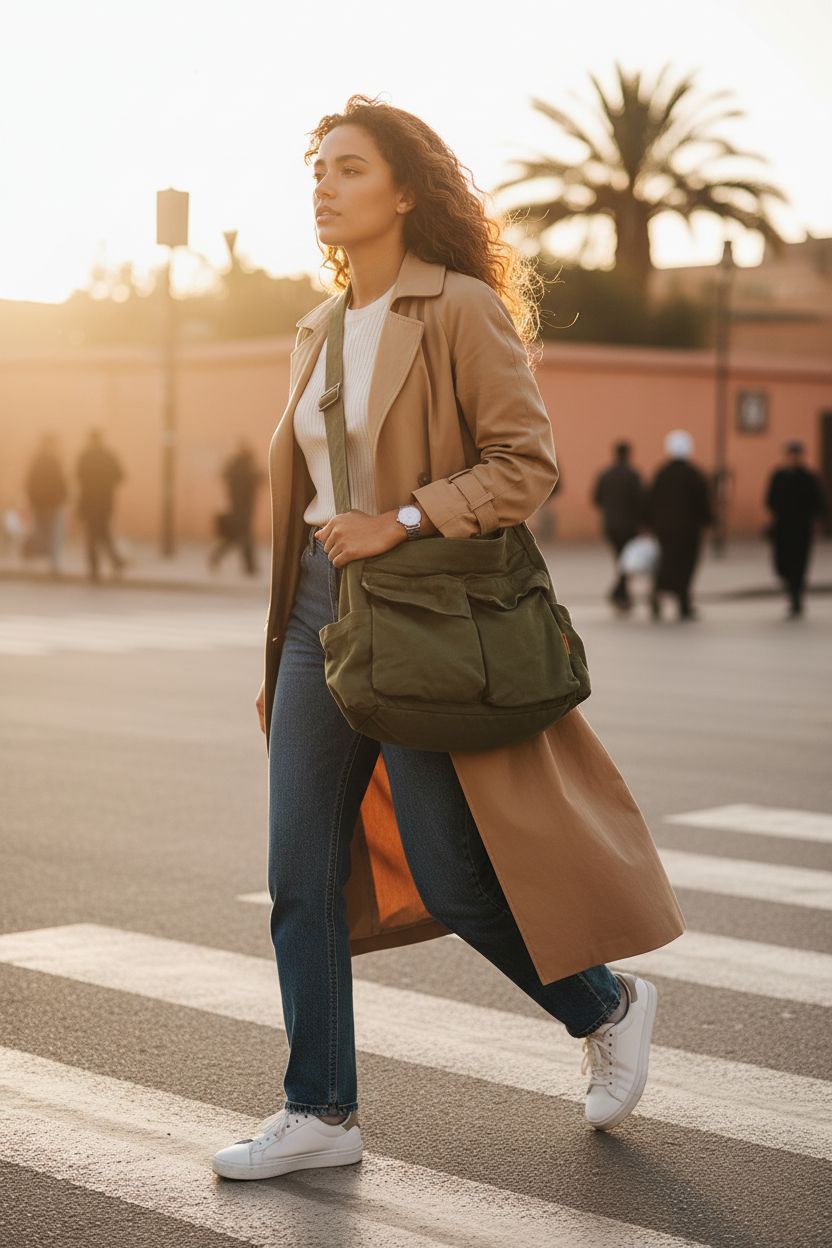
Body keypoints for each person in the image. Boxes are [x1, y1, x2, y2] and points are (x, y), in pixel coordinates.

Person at [212, 95, 684, 1182]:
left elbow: (525, 464)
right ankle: (320, 1111)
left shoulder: (459, 308)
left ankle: (605, 1002)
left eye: (349, 168)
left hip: (420, 610)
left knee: (454, 873)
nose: (324, 185)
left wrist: (405, 517)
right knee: (299, 875)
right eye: (316, 168)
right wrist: (308, 583)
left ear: (406, 191)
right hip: (315, 617)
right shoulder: (316, 327)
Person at [646, 430, 714, 621]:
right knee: (686, 566)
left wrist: (650, 524)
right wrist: (709, 522)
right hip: (689, 531)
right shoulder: (694, 474)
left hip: (665, 530)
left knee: (667, 563)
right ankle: (683, 604)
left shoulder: (662, 473)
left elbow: (651, 500)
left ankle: (658, 594)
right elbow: (704, 502)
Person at [764, 439, 829, 618]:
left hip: (801, 529)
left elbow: (819, 503)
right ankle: (791, 590)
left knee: (799, 565)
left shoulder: (809, 477)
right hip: (783, 527)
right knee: (782, 564)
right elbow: (770, 499)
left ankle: (796, 598)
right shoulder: (778, 475)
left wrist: (813, 519)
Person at [591, 441, 645, 611]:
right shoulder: (633, 475)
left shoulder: (605, 474)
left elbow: (596, 499)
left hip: (610, 525)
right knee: (625, 561)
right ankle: (618, 593)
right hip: (629, 526)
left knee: (621, 560)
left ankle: (622, 594)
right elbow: (641, 500)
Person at [75, 429, 126, 582]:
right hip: (105, 501)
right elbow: (121, 476)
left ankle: (94, 569)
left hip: (89, 501)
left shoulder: (84, 456)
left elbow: (77, 477)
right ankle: (115, 562)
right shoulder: (108, 456)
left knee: (91, 536)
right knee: (104, 534)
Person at [208, 440, 263, 574]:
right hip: (242, 508)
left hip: (237, 507)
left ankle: (247, 566)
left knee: (236, 538)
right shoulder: (244, 468)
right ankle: (250, 567)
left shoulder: (234, 466)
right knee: (244, 537)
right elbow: (258, 479)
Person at [24, 433, 68, 575]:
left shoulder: (38, 460)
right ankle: (51, 562)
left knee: (43, 531)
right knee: (52, 533)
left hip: (43, 502)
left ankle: (46, 560)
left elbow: (30, 482)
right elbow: (61, 482)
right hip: (51, 502)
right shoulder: (53, 461)